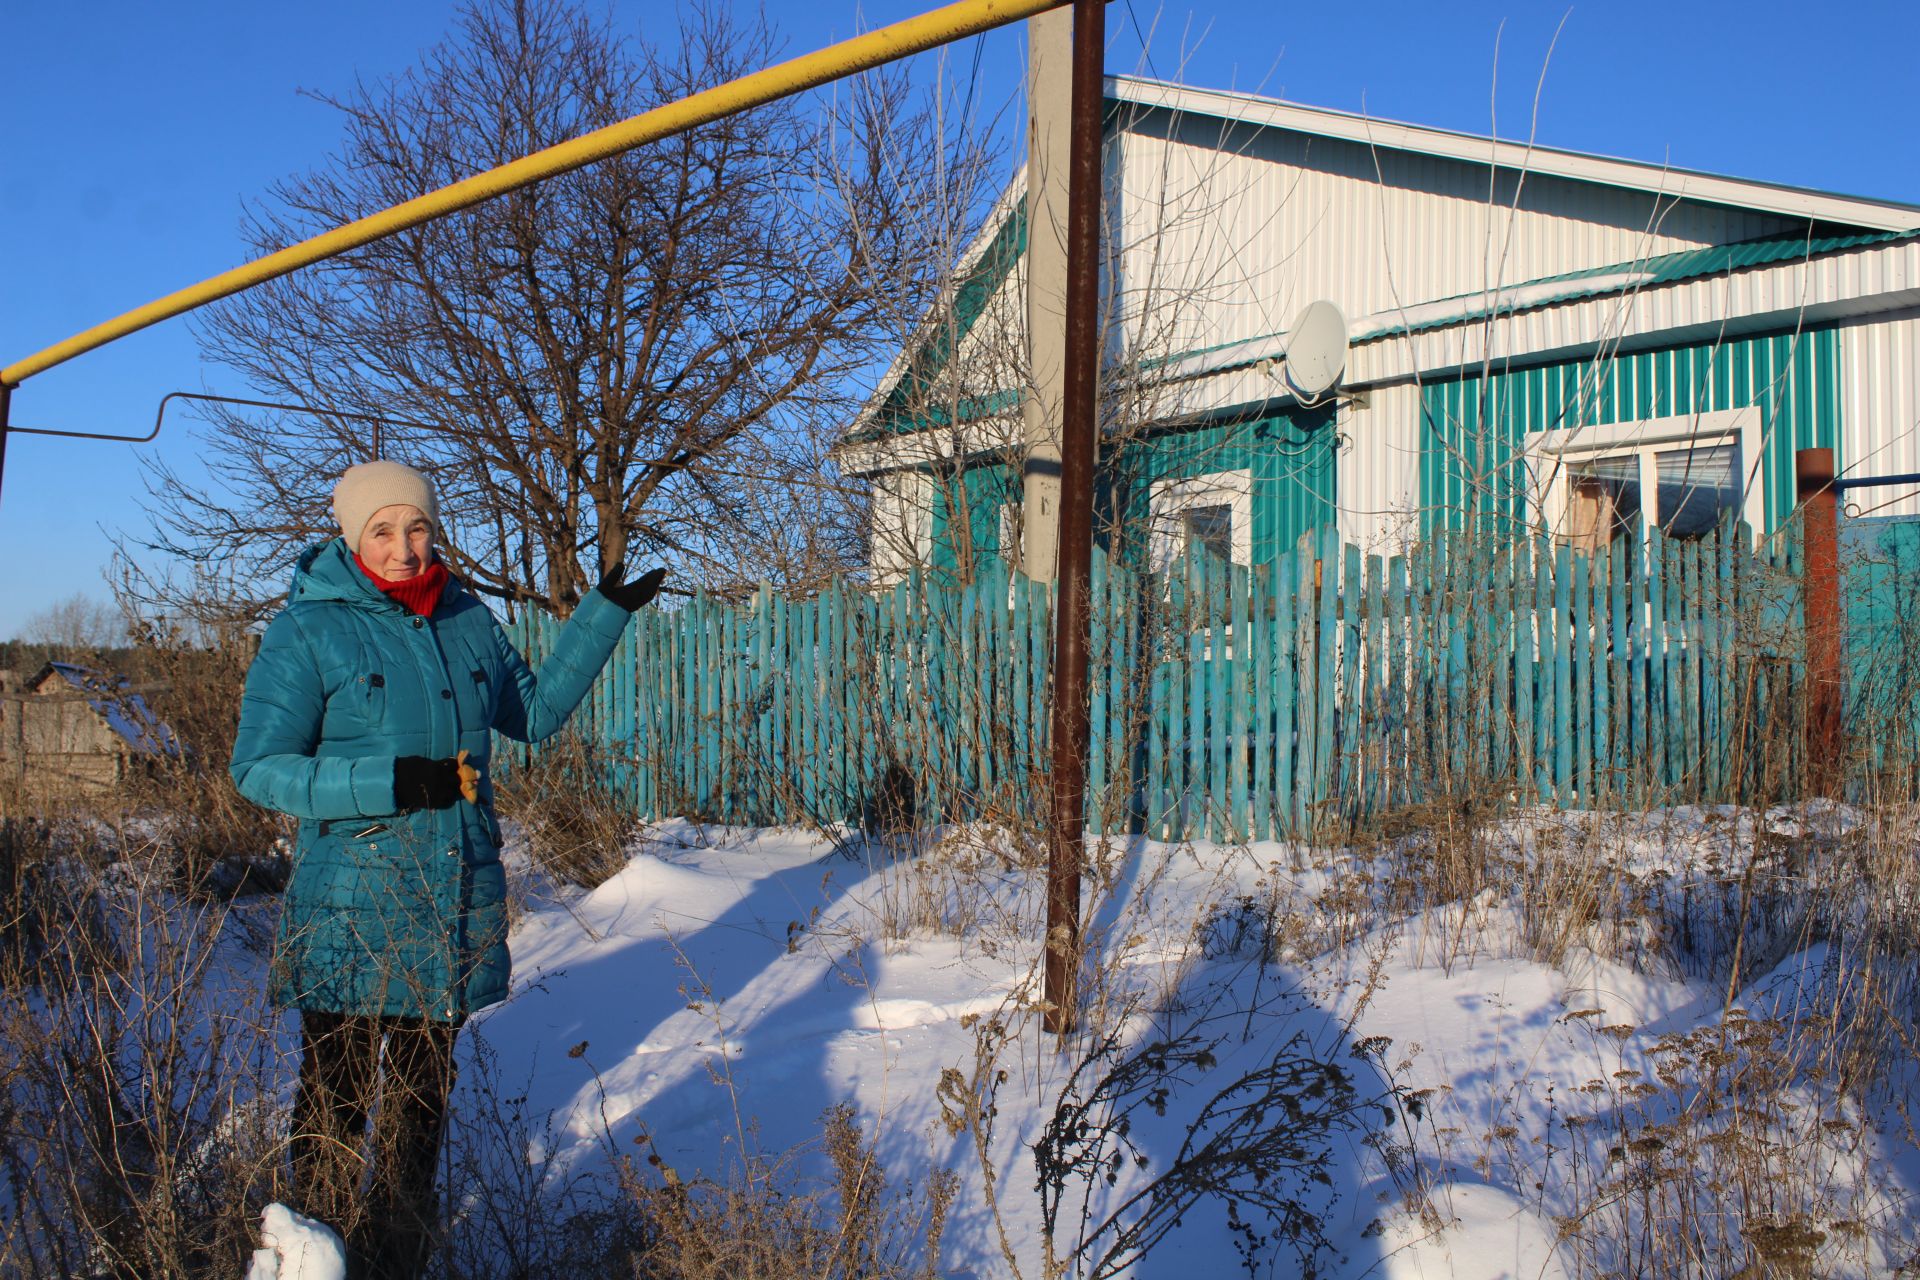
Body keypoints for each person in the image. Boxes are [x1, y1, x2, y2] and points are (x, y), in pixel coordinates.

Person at [230, 460, 664, 1277]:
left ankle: (398, 1255)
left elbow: (531, 714)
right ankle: (310, 1257)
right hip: (351, 903)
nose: (403, 548)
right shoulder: (310, 628)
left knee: (422, 1099)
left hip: (450, 898)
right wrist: (389, 782)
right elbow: (259, 767)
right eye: (383, 531)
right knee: (338, 1092)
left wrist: (603, 614)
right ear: (353, 536)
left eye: (417, 527)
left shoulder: (465, 616)